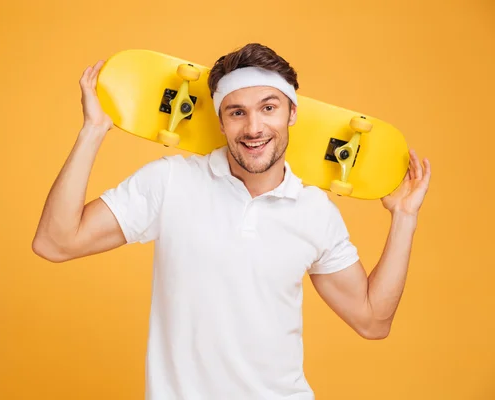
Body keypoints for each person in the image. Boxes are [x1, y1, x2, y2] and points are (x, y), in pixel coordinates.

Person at [32, 43, 431, 399]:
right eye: (237, 112)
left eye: (268, 108)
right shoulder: (171, 182)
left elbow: (372, 320)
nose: (254, 128)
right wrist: (93, 131)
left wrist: (404, 218)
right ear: (221, 122)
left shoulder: (315, 211)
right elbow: (56, 242)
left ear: (293, 113)